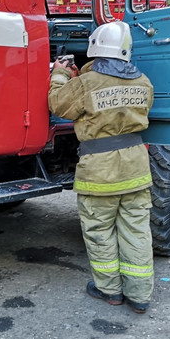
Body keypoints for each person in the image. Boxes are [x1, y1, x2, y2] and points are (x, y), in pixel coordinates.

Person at [48, 21, 155, 314]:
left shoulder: (87, 82)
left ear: (95, 48)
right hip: (136, 169)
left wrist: (60, 74)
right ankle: (140, 294)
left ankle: (109, 290)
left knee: (100, 230)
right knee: (136, 231)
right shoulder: (144, 82)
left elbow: (58, 104)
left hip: (100, 173)